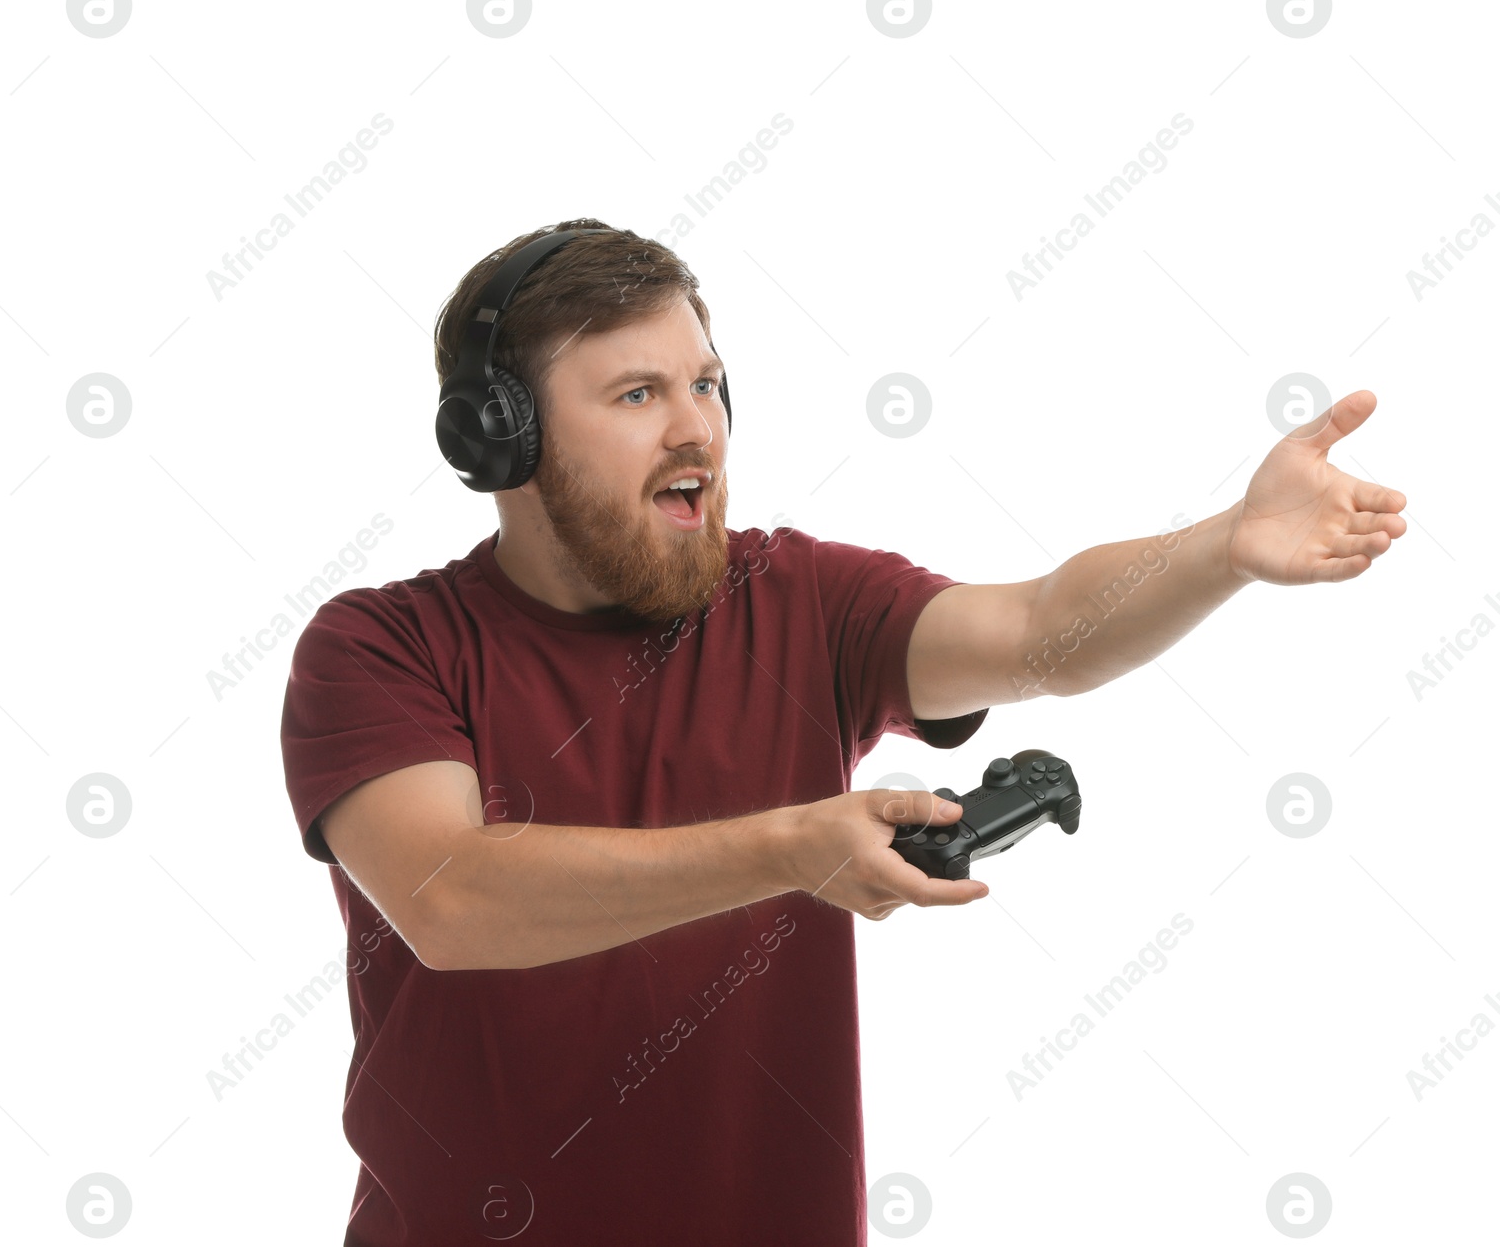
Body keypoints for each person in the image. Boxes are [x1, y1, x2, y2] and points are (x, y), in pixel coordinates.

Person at [278, 217, 1408, 1246]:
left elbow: (1043, 626)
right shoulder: (381, 648)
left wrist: (1221, 546)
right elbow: (452, 897)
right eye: (635, 396)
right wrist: (788, 848)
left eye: (708, 386)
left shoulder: (797, 597)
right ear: (499, 440)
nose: (696, 431)